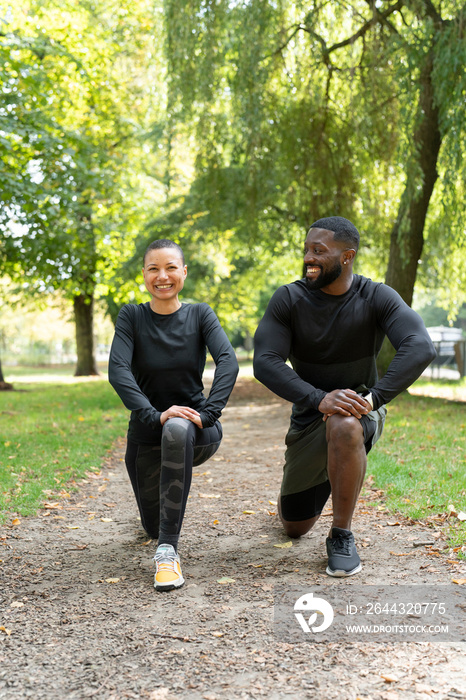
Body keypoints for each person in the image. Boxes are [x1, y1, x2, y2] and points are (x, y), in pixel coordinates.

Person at [253, 216, 436, 577]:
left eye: (319, 251)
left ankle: (341, 534)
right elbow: (265, 361)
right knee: (294, 526)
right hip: (308, 416)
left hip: (361, 409)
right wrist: (319, 398)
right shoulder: (289, 299)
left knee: (345, 424)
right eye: (307, 249)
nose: (309, 257)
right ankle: (329, 472)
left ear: (347, 256)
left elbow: (420, 346)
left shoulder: (376, 296)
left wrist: (373, 399)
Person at [109, 239, 239, 591]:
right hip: (147, 432)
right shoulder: (132, 316)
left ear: (183, 272)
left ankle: (167, 553)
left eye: (170, 268)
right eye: (153, 268)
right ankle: (160, 534)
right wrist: (154, 415)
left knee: (178, 429)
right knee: (152, 525)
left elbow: (227, 360)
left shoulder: (200, 314)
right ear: (144, 275)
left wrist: (209, 413)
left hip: (196, 431)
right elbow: (118, 369)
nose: (162, 276)